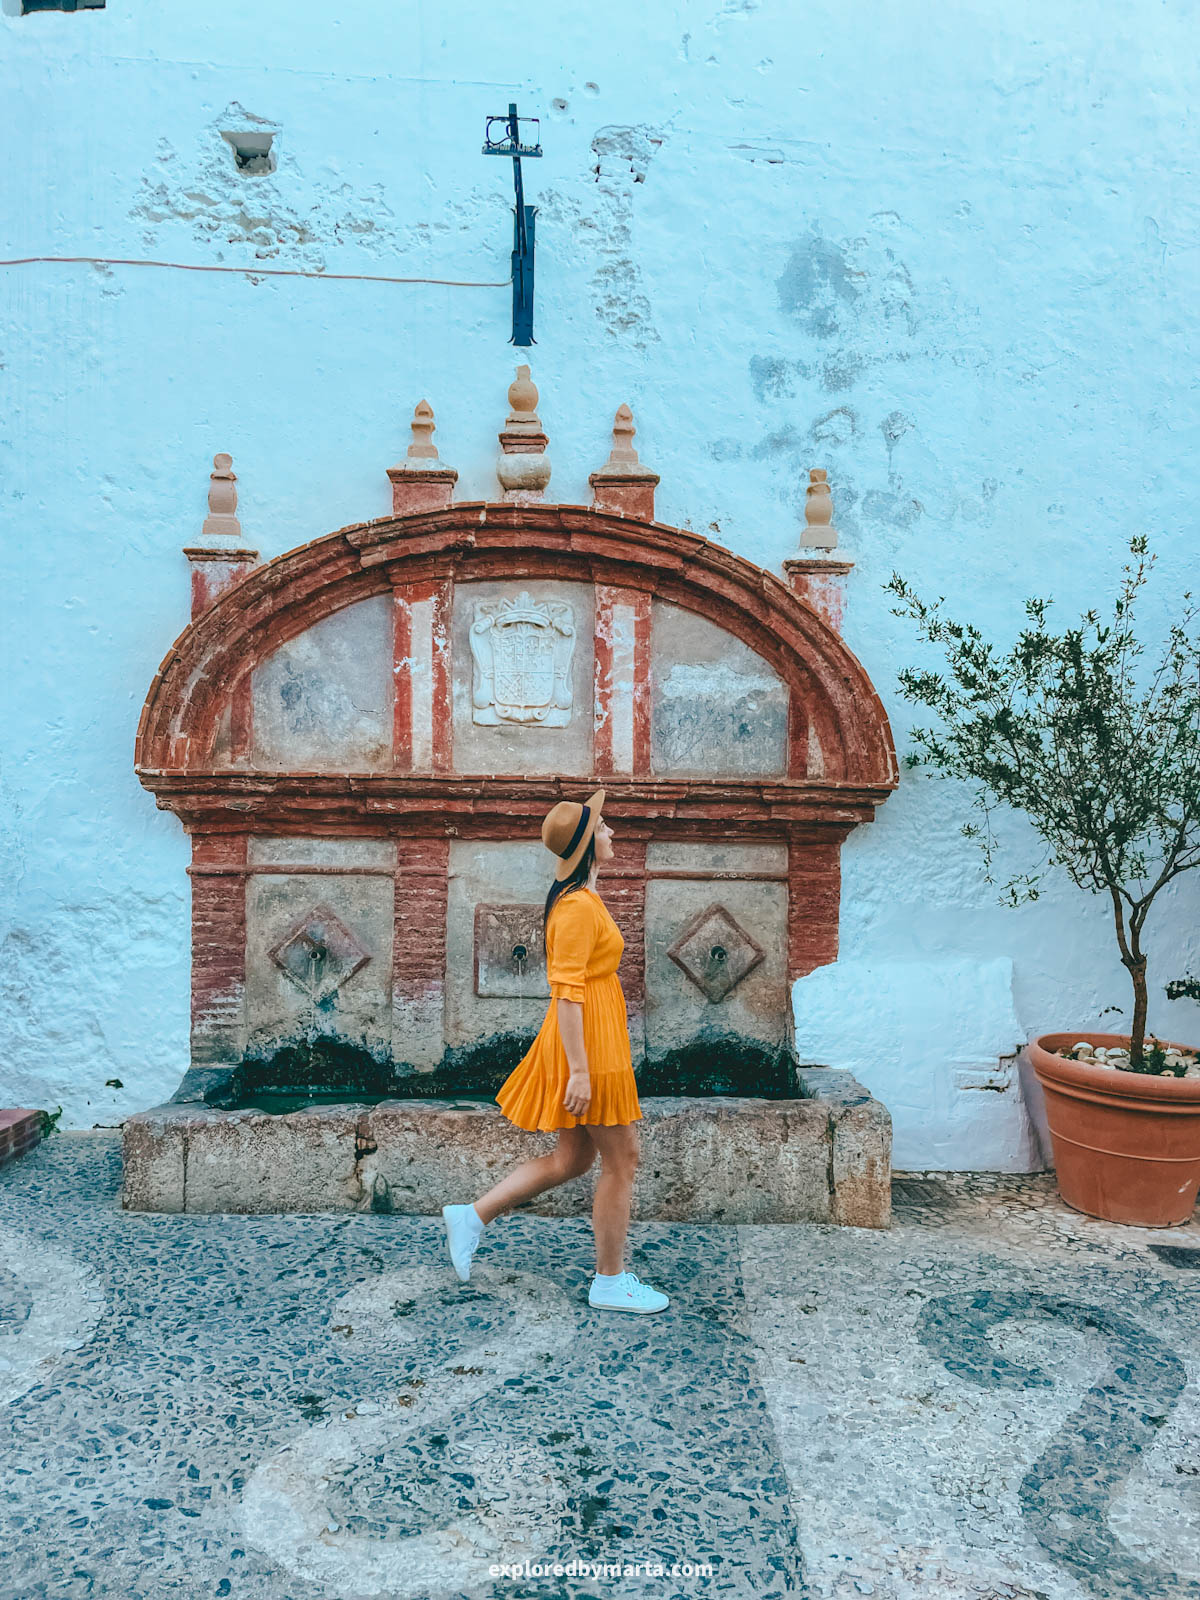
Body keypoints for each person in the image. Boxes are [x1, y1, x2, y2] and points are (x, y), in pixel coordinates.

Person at [441, 787, 669, 1314]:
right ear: (589, 844)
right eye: (604, 828)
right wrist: (582, 1073)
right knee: (624, 1160)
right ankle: (610, 1281)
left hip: (592, 1036)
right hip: (586, 1043)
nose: (612, 832)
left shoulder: (581, 898)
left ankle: (471, 1216)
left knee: (572, 1158)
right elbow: (566, 994)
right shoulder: (573, 909)